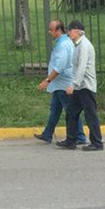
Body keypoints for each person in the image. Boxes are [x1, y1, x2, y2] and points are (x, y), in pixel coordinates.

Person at [34, 19, 86, 147]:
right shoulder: (64, 42)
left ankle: (80, 136)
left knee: (71, 110)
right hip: (59, 84)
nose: (49, 32)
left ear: (58, 30)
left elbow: (59, 67)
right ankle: (47, 134)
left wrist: (47, 81)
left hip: (63, 84)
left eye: (51, 30)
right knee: (55, 109)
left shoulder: (63, 45)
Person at [61, 19, 103, 153]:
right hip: (80, 86)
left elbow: (82, 67)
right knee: (71, 113)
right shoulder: (77, 44)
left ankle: (97, 143)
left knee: (90, 115)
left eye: (70, 30)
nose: (68, 33)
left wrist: (73, 84)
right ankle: (71, 141)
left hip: (86, 86)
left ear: (78, 31)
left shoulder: (84, 45)